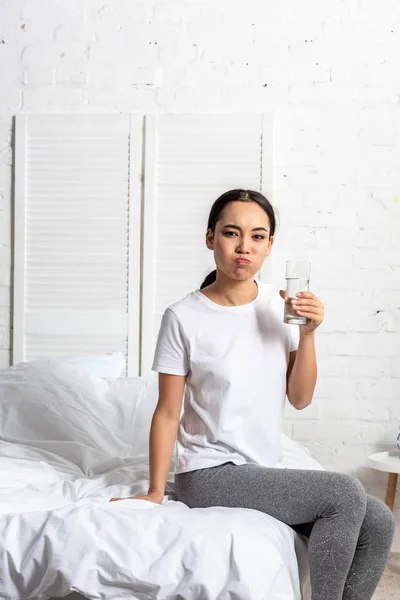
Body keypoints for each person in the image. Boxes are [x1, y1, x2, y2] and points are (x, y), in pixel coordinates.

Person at [110, 189, 395, 600]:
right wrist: (157, 490)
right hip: (207, 475)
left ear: (270, 246)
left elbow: (300, 398)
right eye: (231, 233)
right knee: (343, 493)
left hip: (260, 467)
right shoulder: (184, 317)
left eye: (257, 237)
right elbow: (168, 412)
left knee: (381, 521)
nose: (244, 247)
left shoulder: (282, 305)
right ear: (211, 239)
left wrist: (308, 334)